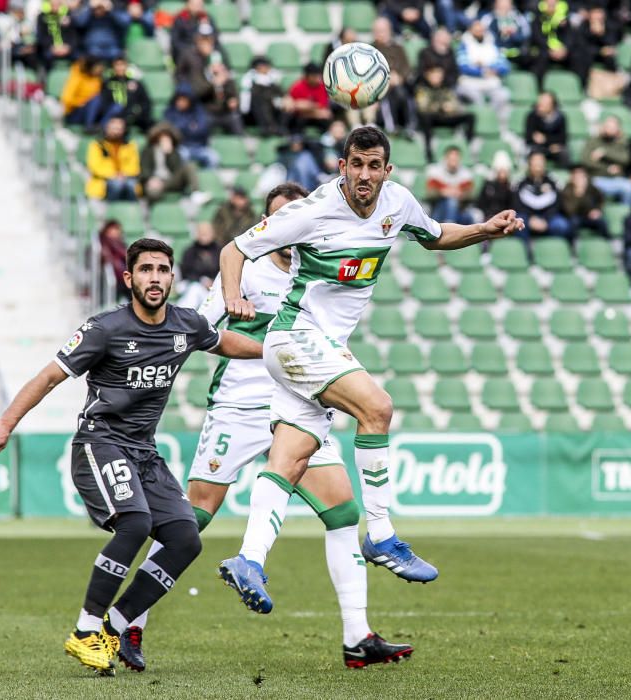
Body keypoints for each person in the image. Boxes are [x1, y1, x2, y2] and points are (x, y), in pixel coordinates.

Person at [214, 126, 523, 615]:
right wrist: (233, 294)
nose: (363, 174)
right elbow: (234, 250)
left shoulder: (396, 204)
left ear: (386, 170)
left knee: (290, 459)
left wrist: (486, 228)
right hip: (294, 338)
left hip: (318, 350)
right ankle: (380, 535)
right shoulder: (312, 210)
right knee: (377, 407)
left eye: (373, 165)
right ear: (342, 166)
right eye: (355, 164)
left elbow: (437, 236)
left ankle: (250, 559)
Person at [118, 184, 415, 670]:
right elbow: (200, 331)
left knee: (342, 512)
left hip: (298, 404)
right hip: (239, 404)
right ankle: (131, 621)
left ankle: (357, 636)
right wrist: (265, 348)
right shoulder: (248, 271)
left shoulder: (319, 271)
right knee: (193, 518)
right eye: (276, 220)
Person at [0, 238, 262, 674]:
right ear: (129, 278)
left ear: (172, 277)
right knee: (135, 523)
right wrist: (4, 425)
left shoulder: (187, 324)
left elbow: (224, 342)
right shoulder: (104, 328)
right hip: (99, 442)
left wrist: (276, 354)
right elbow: (49, 376)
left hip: (144, 451)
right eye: (145, 270)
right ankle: (85, 630)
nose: (155, 278)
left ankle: (118, 623)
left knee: (186, 539)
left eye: (162, 270)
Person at [415, 65, 475, 163]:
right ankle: (428, 150)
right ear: (428, 75)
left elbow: (455, 103)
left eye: (440, 75)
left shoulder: (446, 88)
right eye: (435, 75)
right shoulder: (422, 88)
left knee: (470, 117)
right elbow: (422, 107)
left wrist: (451, 107)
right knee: (425, 118)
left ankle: (467, 145)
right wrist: (440, 107)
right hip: (433, 119)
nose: (438, 77)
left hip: (447, 117)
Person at [515, 151, 571, 249]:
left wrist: (545, 219)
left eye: (540, 161)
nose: (538, 165)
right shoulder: (521, 182)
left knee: (561, 225)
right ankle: (527, 252)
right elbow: (516, 204)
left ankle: (551, 250)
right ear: (529, 164)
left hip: (548, 217)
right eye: (535, 162)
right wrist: (532, 218)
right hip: (528, 217)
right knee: (518, 223)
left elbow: (557, 203)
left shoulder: (553, 181)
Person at [456, 20, 511, 115]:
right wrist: (482, 72)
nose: (480, 32)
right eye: (476, 29)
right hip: (470, 82)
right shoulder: (464, 45)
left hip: (490, 82)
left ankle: (496, 125)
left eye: (481, 29)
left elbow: (505, 65)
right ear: (470, 30)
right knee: (476, 99)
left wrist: (493, 70)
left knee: (503, 95)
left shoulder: (492, 45)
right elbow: (462, 66)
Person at [371, 17, 415, 134]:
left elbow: (406, 68)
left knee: (403, 92)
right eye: (378, 31)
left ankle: (409, 125)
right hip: (379, 88)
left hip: (399, 85)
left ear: (389, 31)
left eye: (383, 30)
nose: (381, 34)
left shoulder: (398, 48)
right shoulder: (370, 50)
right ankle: (391, 127)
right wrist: (387, 78)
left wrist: (400, 77)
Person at [162, 84, 219, 169]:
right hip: (181, 147)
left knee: (214, 158)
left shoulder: (198, 110)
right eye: (179, 99)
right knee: (181, 157)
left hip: (200, 146)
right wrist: (190, 126)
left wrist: (184, 128)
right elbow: (172, 131)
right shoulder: (170, 111)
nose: (181, 102)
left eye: (184, 99)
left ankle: (205, 180)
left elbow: (203, 129)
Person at [139, 122, 198, 205]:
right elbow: (144, 168)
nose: (165, 139)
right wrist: (151, 179)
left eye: (167, 137)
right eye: (162, 136)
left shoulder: (174, 152)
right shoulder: (148, 151)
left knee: (190, 166)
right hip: (153, 181)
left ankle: (196, 193)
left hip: (169, 181)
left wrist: (170, 154)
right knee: (153, 193)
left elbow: (176, 170)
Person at [583, 115, 631, 205]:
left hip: (617, 179)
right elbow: (586, 161)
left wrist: (605, 153)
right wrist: (607, 168)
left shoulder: (622, 142)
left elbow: (625, 159)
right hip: (596, 178)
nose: (609, 129)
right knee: (591, 188)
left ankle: (624, 213)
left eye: (612, 127)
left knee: (629, 187)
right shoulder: (593, 141)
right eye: (607, 126)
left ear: (618, 129)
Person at [85, 117, 141, 201]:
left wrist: (123, 174)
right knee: (116, 185)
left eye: (119, 129)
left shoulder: (130, 145)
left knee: (131, 185)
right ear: (107, 128)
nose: (116, 132)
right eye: (113, 128)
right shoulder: (97, 145)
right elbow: (94, 166)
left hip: (125, 178)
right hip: (104, 181)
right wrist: (113, 175)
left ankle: (132, 211)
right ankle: (111, 210)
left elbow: (134, 166)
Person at [175, 24, 229, 105]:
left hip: (215, 99)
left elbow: (226, 73)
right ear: (197, 38)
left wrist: (222, 76)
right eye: (203, 38)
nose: (206, 42)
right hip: (195, 98)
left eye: (208, 38)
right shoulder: (188, 54)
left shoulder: (218, 54)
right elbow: (179, 75)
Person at [97, 56, 153, 132]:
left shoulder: (135, 83)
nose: (120, 68)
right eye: (117, 65)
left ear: (127, 66)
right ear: (113, 67)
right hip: (113, 118)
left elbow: (146, 102)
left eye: (122, 65)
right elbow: (103, 103)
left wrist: (137, 112)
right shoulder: (107, 83)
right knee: (117, 108)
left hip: (132, 117)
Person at [425, 146, 476, 224]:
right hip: (439, 210)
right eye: (451, 159)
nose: (453, 162)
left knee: (470, 217)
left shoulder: (466, 174)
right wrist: (442, 192)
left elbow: (471, 195)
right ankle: (450, 227)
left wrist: (460, 194)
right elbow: (429, 194)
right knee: (451, 201)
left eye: (456, 159)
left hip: (460, 210)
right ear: (445, 158)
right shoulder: (435, 172)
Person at [176, 221, 221, 309]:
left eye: (206, 232)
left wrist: (213, 283)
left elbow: (223, 272)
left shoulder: (220, 251)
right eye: (201, 232)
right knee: (195, 289)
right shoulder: (189, 251)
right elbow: (186, 273)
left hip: (215, 289)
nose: (203, 234)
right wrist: (202, 281)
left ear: (213, 233)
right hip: (193, 285)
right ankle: (181, 314)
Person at [239, 56, 285, 136]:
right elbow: (245, 101)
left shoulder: (272, 79)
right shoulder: (249, 79)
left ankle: (276, 127)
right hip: (253, 114)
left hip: (272, 111)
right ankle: (267, 127)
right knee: (259, 99)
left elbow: (281, 95)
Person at [561, 165, 609, 240]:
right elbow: (569, 211)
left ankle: (607, 243)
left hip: (589, 216)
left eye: (582, 176)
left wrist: (597, 210)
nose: (580, 179)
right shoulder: (567, 190)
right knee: (573, 222)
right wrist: (579, 195)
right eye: (577, 177)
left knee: (602, 222)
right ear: (572, 178)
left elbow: (600, 200)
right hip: (574, 216)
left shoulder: (591, 188)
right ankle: (572, 247)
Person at [283, 62, 333, 134]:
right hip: (301, 119)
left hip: (316, 120)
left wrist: (304, 106)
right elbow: (291, 106)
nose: (318, 78)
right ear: (307, 76)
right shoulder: (298, 86)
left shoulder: (322, 86)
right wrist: (313, 108)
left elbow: (324, 111)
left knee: (326, 121)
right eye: (314, 76)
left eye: (318, 76)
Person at [525, 92, 568, 166]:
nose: (540, 106)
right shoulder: (532, 116)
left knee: (564, 153)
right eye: (540, 103)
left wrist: (545, 139)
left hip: (554, 148)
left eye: (544, 104)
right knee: (534, 154)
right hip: (538, 148)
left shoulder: (560, 118)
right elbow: (529, 138)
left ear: (552, 105)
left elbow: (562, 138)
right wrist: (549, 143)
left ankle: (563, 174)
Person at [480, 0, 531, 64]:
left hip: (516, 54)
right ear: (495, 4)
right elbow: (483, 37)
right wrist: (499, 33)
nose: (504, 6)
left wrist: (513, 34)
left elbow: (526, 36)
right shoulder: (487, 18)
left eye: (506, 3)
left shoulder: (519, 17)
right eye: (501, 3)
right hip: (495, 53)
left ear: (511, 4)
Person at [35, 0, 78, 75]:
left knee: (78, 57)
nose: (56, 3)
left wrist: (68, 47)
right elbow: (41, 37)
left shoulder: (68, 16)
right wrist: (53, 47)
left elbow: (74, 35)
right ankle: (46, 81)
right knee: (44, 57)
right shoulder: (42, 17)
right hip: (49, 48)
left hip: (66, 48)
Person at [61, 57, 105, 126]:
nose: (101, 69)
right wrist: (79, 103)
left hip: (90, 109)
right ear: (91, 67)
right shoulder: (77, 77)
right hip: (74, 113)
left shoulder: (97, 78)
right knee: (96, 99)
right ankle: (89, 126)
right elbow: (66, 98)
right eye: (98, 67)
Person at [98, 219, 131, 303]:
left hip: (122, 279)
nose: (115, 232)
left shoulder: (122, 245)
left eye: (117, 229)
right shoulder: (101, 245)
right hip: (107, 279)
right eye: (112, 229)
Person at [476, 151, 515, 221]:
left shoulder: (510, 188)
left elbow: (512, 206)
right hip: (488, 217)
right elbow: (480, 203)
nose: (502, 174)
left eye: (504, 171)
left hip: (504, 218)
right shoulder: (488, 185)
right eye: (500, 171)